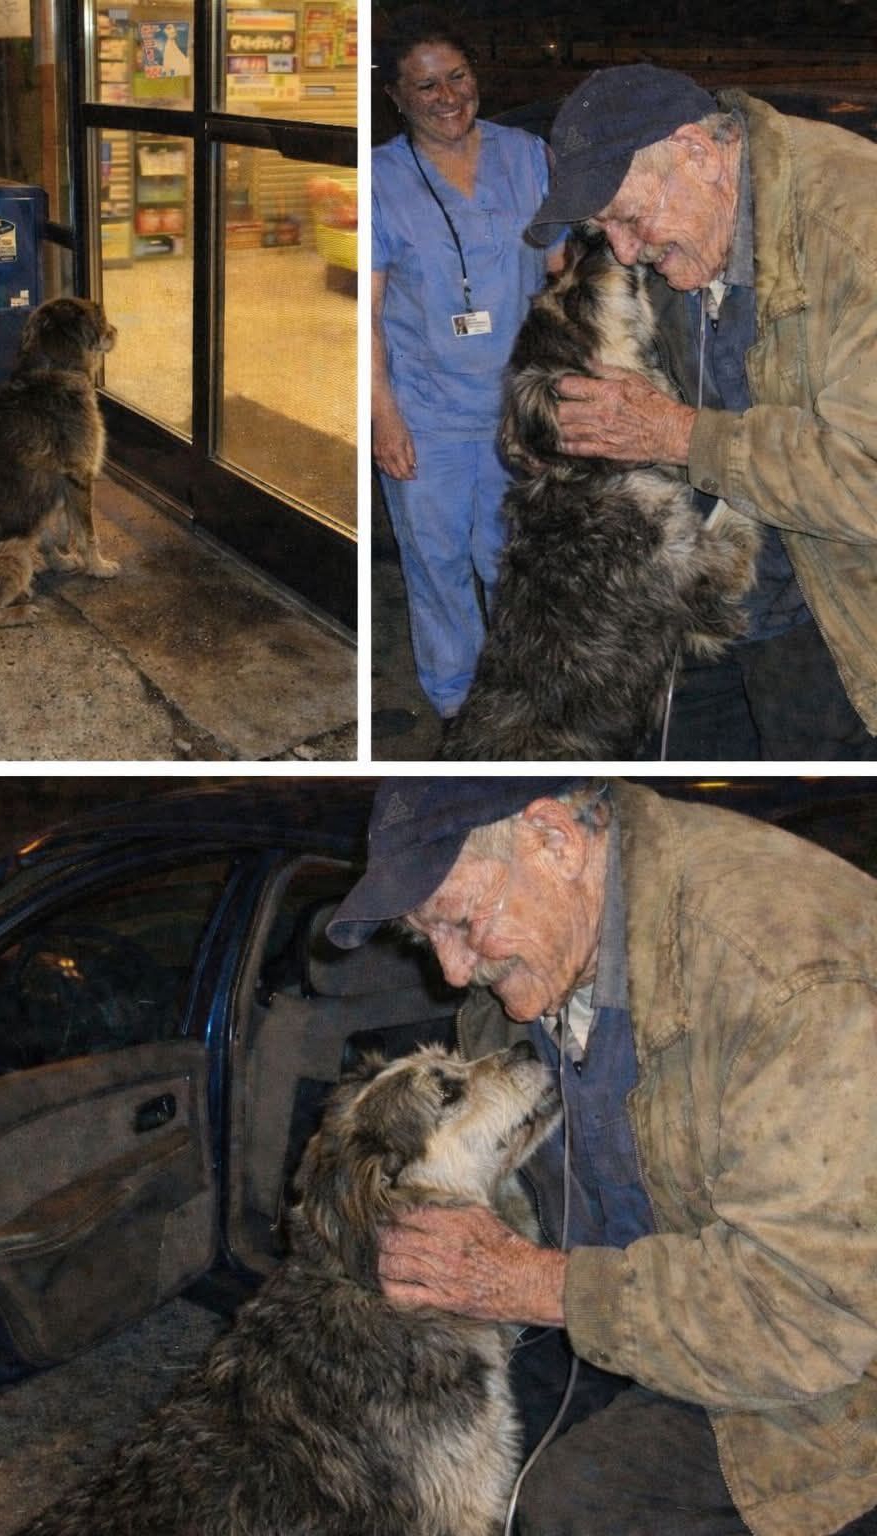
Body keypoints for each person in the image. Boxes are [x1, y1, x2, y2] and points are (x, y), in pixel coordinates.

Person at [327, 777, 877, 1536]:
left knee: (566, 1506)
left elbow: (806, 1315)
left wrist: (529, 1283)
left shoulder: (786, 979)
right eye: (428, 938)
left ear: (555, 841)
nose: (453, 973)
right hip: (638, 1305)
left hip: (826, 1376)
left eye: (459, 922)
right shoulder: (549, 945)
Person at [523, 64, 877, 760]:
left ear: (696, 153)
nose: (626, 252)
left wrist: (677, 435)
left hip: (839, 620)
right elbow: (702, 401)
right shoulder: (695, 222)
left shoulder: (855, 238)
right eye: (604, 228)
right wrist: (619, 430)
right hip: (722, 600)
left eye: (628, 218)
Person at [372, 8, 558, 722]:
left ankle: (525, 696)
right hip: (427, 412)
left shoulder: (527, 156)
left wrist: (563, 391)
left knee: (515, 561)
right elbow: (368, 314)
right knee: (439, 565)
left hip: (517, 406)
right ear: (396, 96)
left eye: (458, 78)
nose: (447, 97)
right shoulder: (382, 180)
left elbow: (563, 271)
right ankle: (463, 706)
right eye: (426, 87)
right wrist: (384, 415)